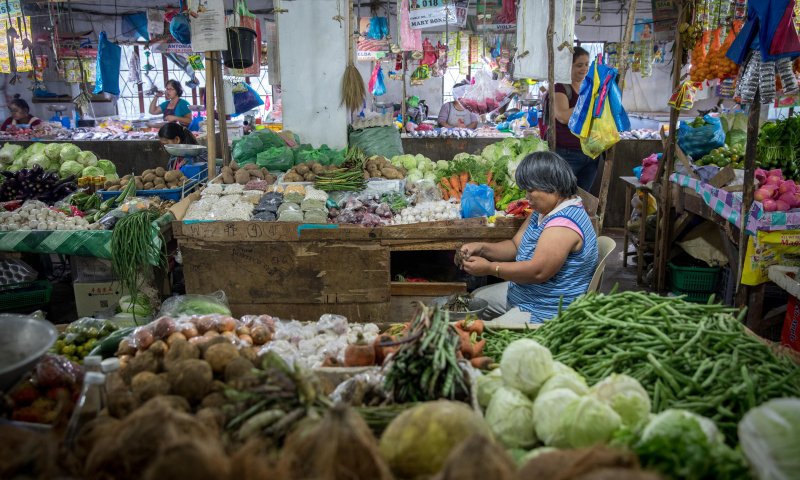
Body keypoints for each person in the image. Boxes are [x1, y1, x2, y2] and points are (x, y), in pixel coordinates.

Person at [460, 151, 598, 325]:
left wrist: (490, 268)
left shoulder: (562, 225)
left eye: (531, 190)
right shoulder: (545, 211)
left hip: (544, 310)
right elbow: (515, 246)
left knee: (482, 326)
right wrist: (481, 248)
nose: (526, 197)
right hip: (526, 293)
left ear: (553, 186)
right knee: (475, 300)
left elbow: (538, 272)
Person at [552, 46, 600, 192]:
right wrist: (587, 104)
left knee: (584, 197)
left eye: (587, 64)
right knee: (564, 195)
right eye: (579, 65)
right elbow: (563, 116)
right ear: (569, 66)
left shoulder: (590, 87)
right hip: (568, 154)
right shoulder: (560, 88)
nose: (584, 69)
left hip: (590, 153)